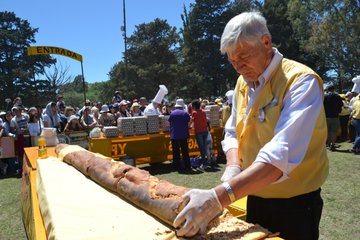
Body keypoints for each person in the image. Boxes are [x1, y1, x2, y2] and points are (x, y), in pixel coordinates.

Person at [173, 12, 329, 240]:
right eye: (232, 60)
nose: (238, 67)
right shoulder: (242, 83)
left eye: (243, 57)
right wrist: (234, 165)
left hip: (295, 205)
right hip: (252, 194)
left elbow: (279, 157)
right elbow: (233, 130)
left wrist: (218, 198)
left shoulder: (301, 81)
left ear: (266, 42)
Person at [168, 100, 191, 173]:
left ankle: (176, 167)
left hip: (174, 135)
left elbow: (170, 122)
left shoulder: (172, 113)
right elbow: (188, 121)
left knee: (175, 152)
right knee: (185, 151)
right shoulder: (185, 113)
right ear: (182, 106)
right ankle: (187, 166)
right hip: (183, 134)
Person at [190, 99, 210, 169]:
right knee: (204, 147)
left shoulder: (194, 113)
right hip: (205, 131)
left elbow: (192, 121)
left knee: (201, 148)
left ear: (194, 106)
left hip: (199, 132)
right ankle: (206, 161)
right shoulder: (204, 112)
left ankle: (204, 163)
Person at [323, 85, 343, 151]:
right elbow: (341, 105)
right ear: (334, 89)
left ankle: (328, 143)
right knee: (333, 131)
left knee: (327, 131)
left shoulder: (324, 96)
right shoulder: (337, 96)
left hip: (326, 116)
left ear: (327, 90)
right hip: (335, 116)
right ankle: (332, 144)